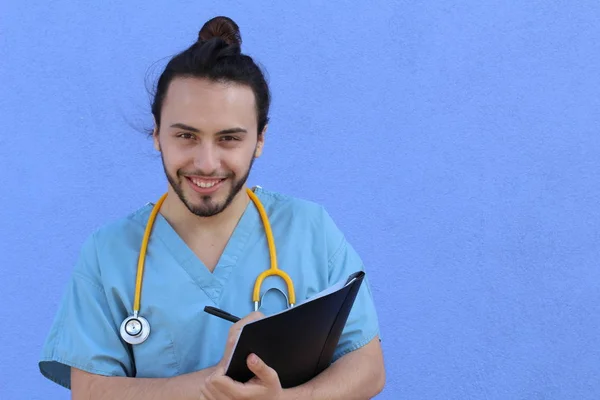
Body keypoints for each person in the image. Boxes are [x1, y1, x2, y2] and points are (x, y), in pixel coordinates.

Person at [39, 16, 385, 399]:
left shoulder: (310, 230)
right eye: (186, 135)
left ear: (259, 140)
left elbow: (367, 366)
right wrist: (220, 380)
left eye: (229, 139)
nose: (206, 163)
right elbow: (89, 391)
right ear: (156, 133)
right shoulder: (109, 253)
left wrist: (283, 399)